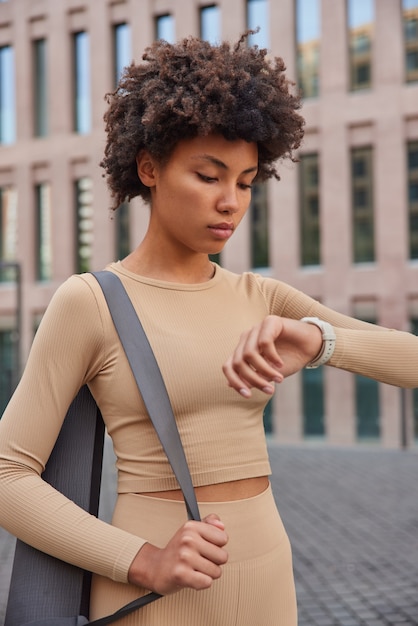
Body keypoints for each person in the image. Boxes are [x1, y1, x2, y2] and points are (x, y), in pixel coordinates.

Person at [0, 32, 417, 626]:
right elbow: (8, 474)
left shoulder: (260, 295)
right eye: (209, 175)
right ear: (149, 167)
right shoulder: (91, 302)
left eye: (246, 182)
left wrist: (323, 343)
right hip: (156, 589)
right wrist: (139, 561)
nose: (231, 202)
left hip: (267, 573)